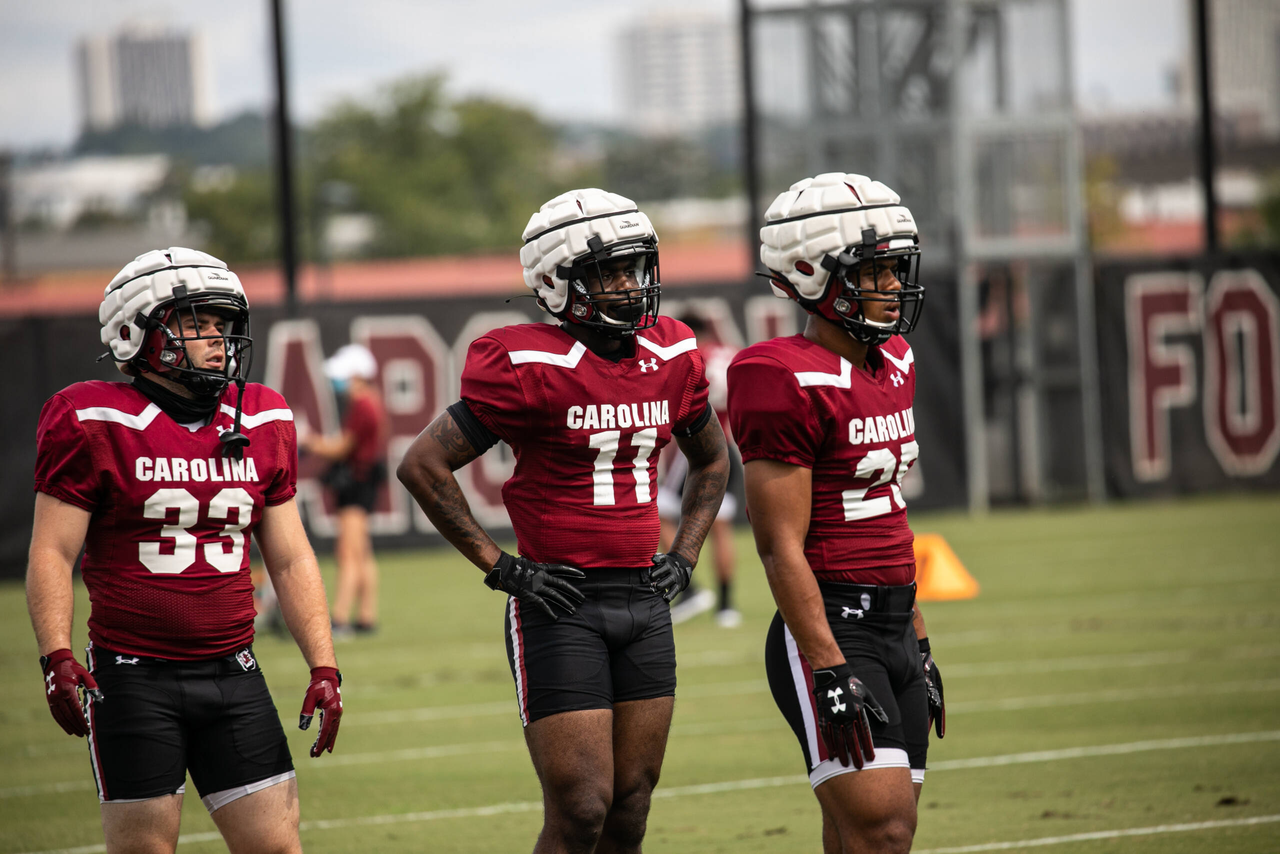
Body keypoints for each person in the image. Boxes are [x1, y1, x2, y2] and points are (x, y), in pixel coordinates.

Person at [397, 188, 729, 854]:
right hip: (561, 604)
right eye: (607, 272)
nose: (629, 286)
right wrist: (504, 569)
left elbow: (713, 461)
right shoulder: (525, 364)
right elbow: (423, 465)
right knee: (582, 808)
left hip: (644, 597)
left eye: (633, 268)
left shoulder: (670, 354)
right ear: (557, 283)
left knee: (631, 808)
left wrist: (687, 555)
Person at [27, 247, 343, 854]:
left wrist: (323, 664)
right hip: (131, 676)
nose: (217, 338)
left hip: (234, 672)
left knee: (278, 848)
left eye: (222, 324)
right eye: (195, 323)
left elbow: (291, 555)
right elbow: (51, 553)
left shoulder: (261, 415)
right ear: (136, 332)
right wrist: (56, 655)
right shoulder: (91, 417)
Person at [726, 173, 946, 854]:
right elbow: (778, 546)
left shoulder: (897, 360)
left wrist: (922, 639)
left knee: (869, 838)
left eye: (893, 267)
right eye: (870, 270)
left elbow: (888, 509)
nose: (889, 285)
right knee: (882, 831)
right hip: (831, 624)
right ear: (808, 275)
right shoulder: (778, 374)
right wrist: (826, 664)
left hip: (894, 622)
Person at [658, 312, 742, 627]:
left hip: (698, 446)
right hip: (729, 446)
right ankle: (726, 605)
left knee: (657, 513)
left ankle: (691, 590)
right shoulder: (732, 353)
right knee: (721, 527)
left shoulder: (696, 355)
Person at [301, 343, 388, 638]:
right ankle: (366, 616)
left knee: (348, 552)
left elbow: (342, 448)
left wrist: (312, 442)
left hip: (357, 483)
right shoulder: (370, 402)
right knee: (361, 552)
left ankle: (339, 618)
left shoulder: (363, 405)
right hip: (364, 481)